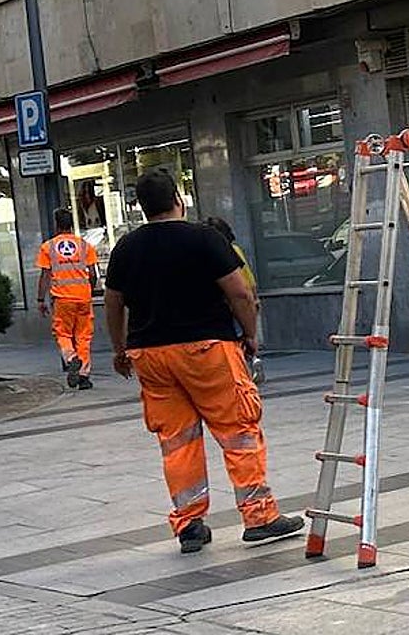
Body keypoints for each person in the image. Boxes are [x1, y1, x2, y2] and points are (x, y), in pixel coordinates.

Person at [104, 168, 303, 554]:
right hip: (207, 349)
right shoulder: (204, 238)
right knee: (238, 430)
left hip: (151, 356)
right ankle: (259, 516)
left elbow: (113, 304)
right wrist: (249, 334)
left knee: (177, 442)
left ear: (142, 208)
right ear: (178, 199)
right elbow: (240, 293)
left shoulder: (126, 247)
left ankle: (190, 524)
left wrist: (119, 349)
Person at [36, 208, 99, 390]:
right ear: (72, 224)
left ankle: (72, 358)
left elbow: (45, 275)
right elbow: (93, 274)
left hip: (62, 298)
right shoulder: (85, 245)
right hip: (83, 297)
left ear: (57, 224)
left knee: (63, 333)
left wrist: (41, 299)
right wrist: (89, 290)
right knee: (84, 336)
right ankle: (84, 377)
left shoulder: (48, 247)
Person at [205, 216, 264, 383]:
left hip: (229, 304)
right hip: (242, 301)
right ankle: (251, 363)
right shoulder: (234, 250)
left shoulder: (218, 253)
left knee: (235, 341)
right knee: (245, 338)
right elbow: (248, 277)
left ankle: (242, 370)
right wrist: (254, 297)